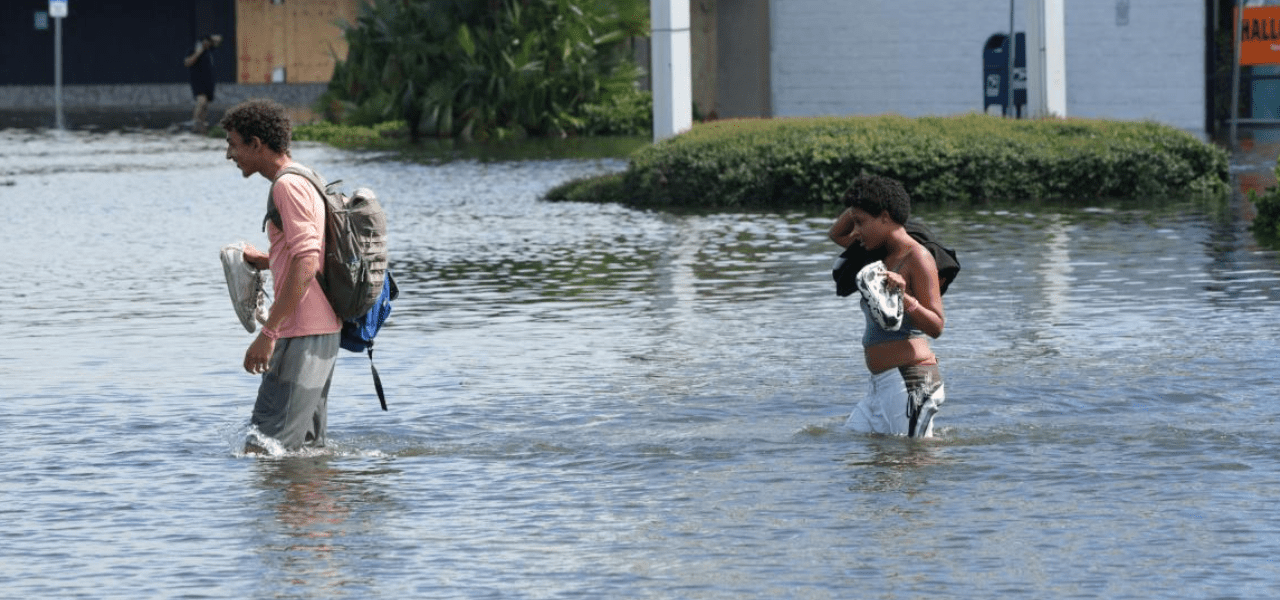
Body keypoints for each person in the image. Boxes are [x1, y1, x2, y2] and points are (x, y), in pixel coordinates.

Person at [220, 99, 341, 453]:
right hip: (321, 330)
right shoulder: (304, 177)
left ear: (256, 144)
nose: (230, 154)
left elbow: (307, 262)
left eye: (233, 143)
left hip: (301, 333)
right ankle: (316, 508)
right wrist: (265, 260)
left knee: (262, 450)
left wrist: (268, 333)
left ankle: (287, 510)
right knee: (305, 452)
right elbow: (301, 255)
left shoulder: (286, 186)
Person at [828, 174, 946, 438]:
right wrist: (862, 197)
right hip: (881, 384)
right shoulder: (875, 251)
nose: (855, 231)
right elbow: (837, 233)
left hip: (912, 381)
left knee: (914, 463)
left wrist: (906, 298)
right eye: (854, 221)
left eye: (861, 222)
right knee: (858, 453)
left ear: (884, 217)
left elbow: (937, 326)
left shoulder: (919, 257)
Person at [184, 34, 222, 134]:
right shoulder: (194, 50)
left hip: (208, 81)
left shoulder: (209, 51)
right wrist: (198, 53)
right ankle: (196, 122)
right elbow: (187, 62)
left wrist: (211, 39)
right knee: (201, 101)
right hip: (197, 80)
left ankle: (202, 124)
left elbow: (218, 39)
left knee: (205, 104)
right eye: (205, 42)